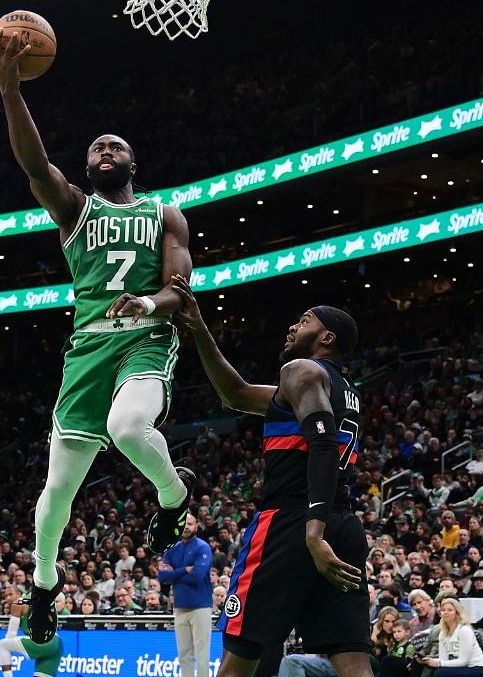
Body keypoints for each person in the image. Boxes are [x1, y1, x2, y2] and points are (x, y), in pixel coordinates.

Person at [0, 29, 196, 644]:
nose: (106, 148)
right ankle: (43, 589)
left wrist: (148, 302)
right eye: (97, 147)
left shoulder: (166, 214)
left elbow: (181, 290)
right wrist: (9, 90)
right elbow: (32, 165)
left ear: (133, 164)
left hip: (146, 338)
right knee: (56, 494)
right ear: (86, 168)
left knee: (130, 427)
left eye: (117, 146)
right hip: (87, 350)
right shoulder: (76, 210)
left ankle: (173, 494)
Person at [169, 276, 368, 677]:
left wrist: (313, 535)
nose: (294, 327)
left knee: (238, 660)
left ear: (326, 337)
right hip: (344, 524)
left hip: (291, 523)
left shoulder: (301, 370)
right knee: (353, 664)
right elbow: (236, 394)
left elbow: (323, 446)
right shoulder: (345, 388)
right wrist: (200, 329)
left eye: (305, 320)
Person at [158, 514, 213, 677]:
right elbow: (162, 577)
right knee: (184, 654)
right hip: (180, 607)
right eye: (184, 524)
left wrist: (174, 573)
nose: (187, 527)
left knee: (202, 655)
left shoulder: (203, 547)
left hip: (200, 606)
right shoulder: (172, 548)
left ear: (196, 527)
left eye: (190, 524)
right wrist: (184, 570)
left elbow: (198, 575)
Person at [417, 597, 483, 676]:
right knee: (429, 668)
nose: (446, 612)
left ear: (457, 613)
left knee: (440, 673)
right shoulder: (443, 633)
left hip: (475, 667)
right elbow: (444, 659)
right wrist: (431, 661)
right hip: (459, 667)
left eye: (450, 610)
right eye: (443, 610)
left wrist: (438, 663)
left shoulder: (464, 630)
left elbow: (464, 661)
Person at [0, 599, 62, 677]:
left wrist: (8, 653)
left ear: (18, 594)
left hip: (43, 640)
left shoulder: (17, 604)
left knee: (2, 645)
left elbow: (11, 635)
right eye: (6, 596)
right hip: (56, 641)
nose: (8, 598)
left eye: (10, 594)